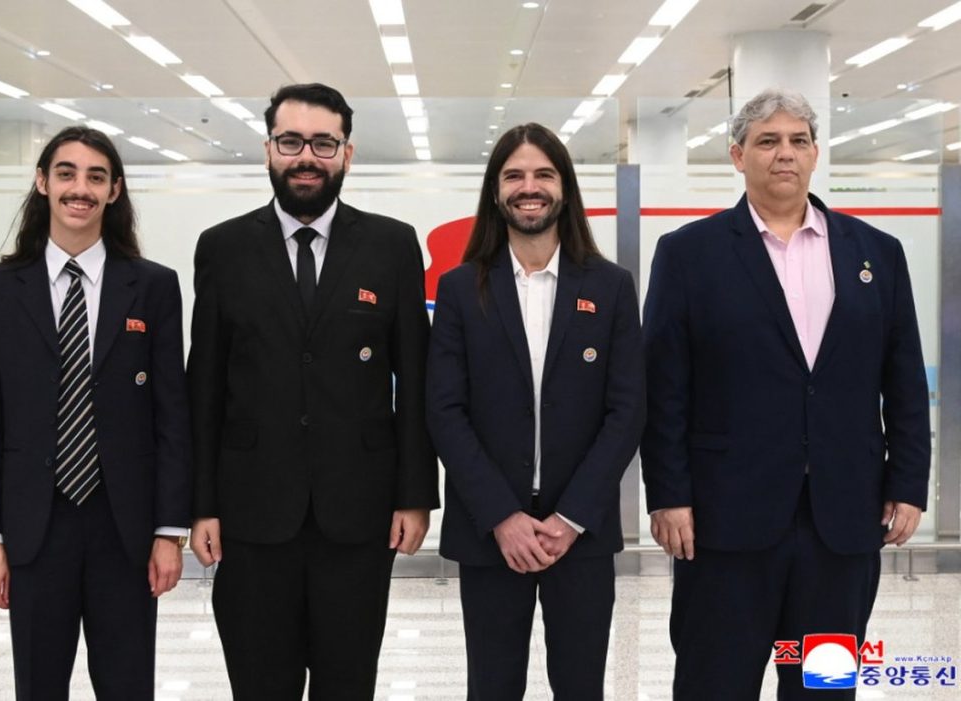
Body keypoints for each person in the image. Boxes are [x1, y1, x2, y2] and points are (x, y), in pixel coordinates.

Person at [641, 88, 931, 700]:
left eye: (799, 140)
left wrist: (908, 483)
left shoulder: (876, 253)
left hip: (843, 520)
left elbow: (902, 378)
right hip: (724, 521)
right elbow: (663, 388)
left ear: (816, 153)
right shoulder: (688, 254)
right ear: (737, 155)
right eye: (768, 141)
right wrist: (668, 495)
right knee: (715, 684)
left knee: (825, 685)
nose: (785, 154)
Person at [187, 82, 439, 699]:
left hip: (358, 514)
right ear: (268, 150)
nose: (307, 156)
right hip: (250, 514)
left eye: (324, 143)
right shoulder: (222, 248)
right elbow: (205, 386)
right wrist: (200, 504)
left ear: (346, 153)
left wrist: (415, 495)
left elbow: (416, 378)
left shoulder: (391, 245)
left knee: (347, 683)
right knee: (259, 684)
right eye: (291, 141)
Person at [0, 126, 192, 700]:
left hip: (126, 530)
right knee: (39, 687)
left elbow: (171, 418)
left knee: (127, 686)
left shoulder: (153, 287)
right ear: (42, 182)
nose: (80, 189)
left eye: (96, 177)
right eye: (66, 173)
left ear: (114, 191)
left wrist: (169, 532)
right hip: (34, 531)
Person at [427, 122, 646, 700]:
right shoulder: (460, 289)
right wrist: (502, 516)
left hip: (581, 532)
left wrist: (571, 518)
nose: (530, 187)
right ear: (495, 191)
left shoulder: (611, 287)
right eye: (514, 175)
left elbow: (627, 410)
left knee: (580, 687)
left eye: (544, 174)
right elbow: (445, 410)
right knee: (492, 687)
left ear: (564, 188)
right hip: (489, 532)